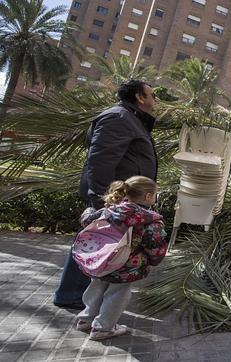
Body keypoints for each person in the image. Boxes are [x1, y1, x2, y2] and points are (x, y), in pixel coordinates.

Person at [53, 80, 158, 309]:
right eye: (152, 94)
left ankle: (82, 296)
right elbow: (100, 160)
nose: (155, 99)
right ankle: (71, 294)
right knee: (94, 241)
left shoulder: (130, 119)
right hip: (112, 198)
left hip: (120, 197)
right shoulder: (119, 118)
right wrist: (102, 200)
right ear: (140, 97)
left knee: (104, 244)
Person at [75, 176, 167, 340]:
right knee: (117, 294)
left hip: (100, 260)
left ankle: (86, 320)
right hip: (126, 266)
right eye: (155, 194)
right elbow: (155, 245)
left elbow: (86, 220)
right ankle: (103, 328)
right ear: (147, 197)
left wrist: (89, 210)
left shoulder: (110, 209)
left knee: (96, 287)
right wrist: (155, 260)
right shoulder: (149, 220)